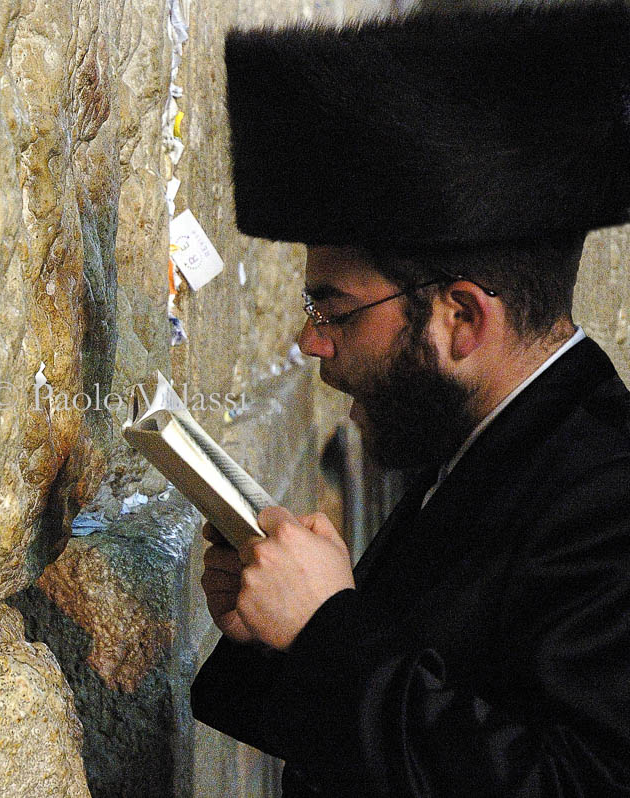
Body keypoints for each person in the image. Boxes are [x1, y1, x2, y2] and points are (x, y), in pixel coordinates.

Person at [190, 2, 630, 796]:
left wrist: (325, 630)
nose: (312, 343)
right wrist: (276, 628)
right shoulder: (490, 442)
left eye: (336, 310)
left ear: (460, 317)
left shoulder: (608, 497)